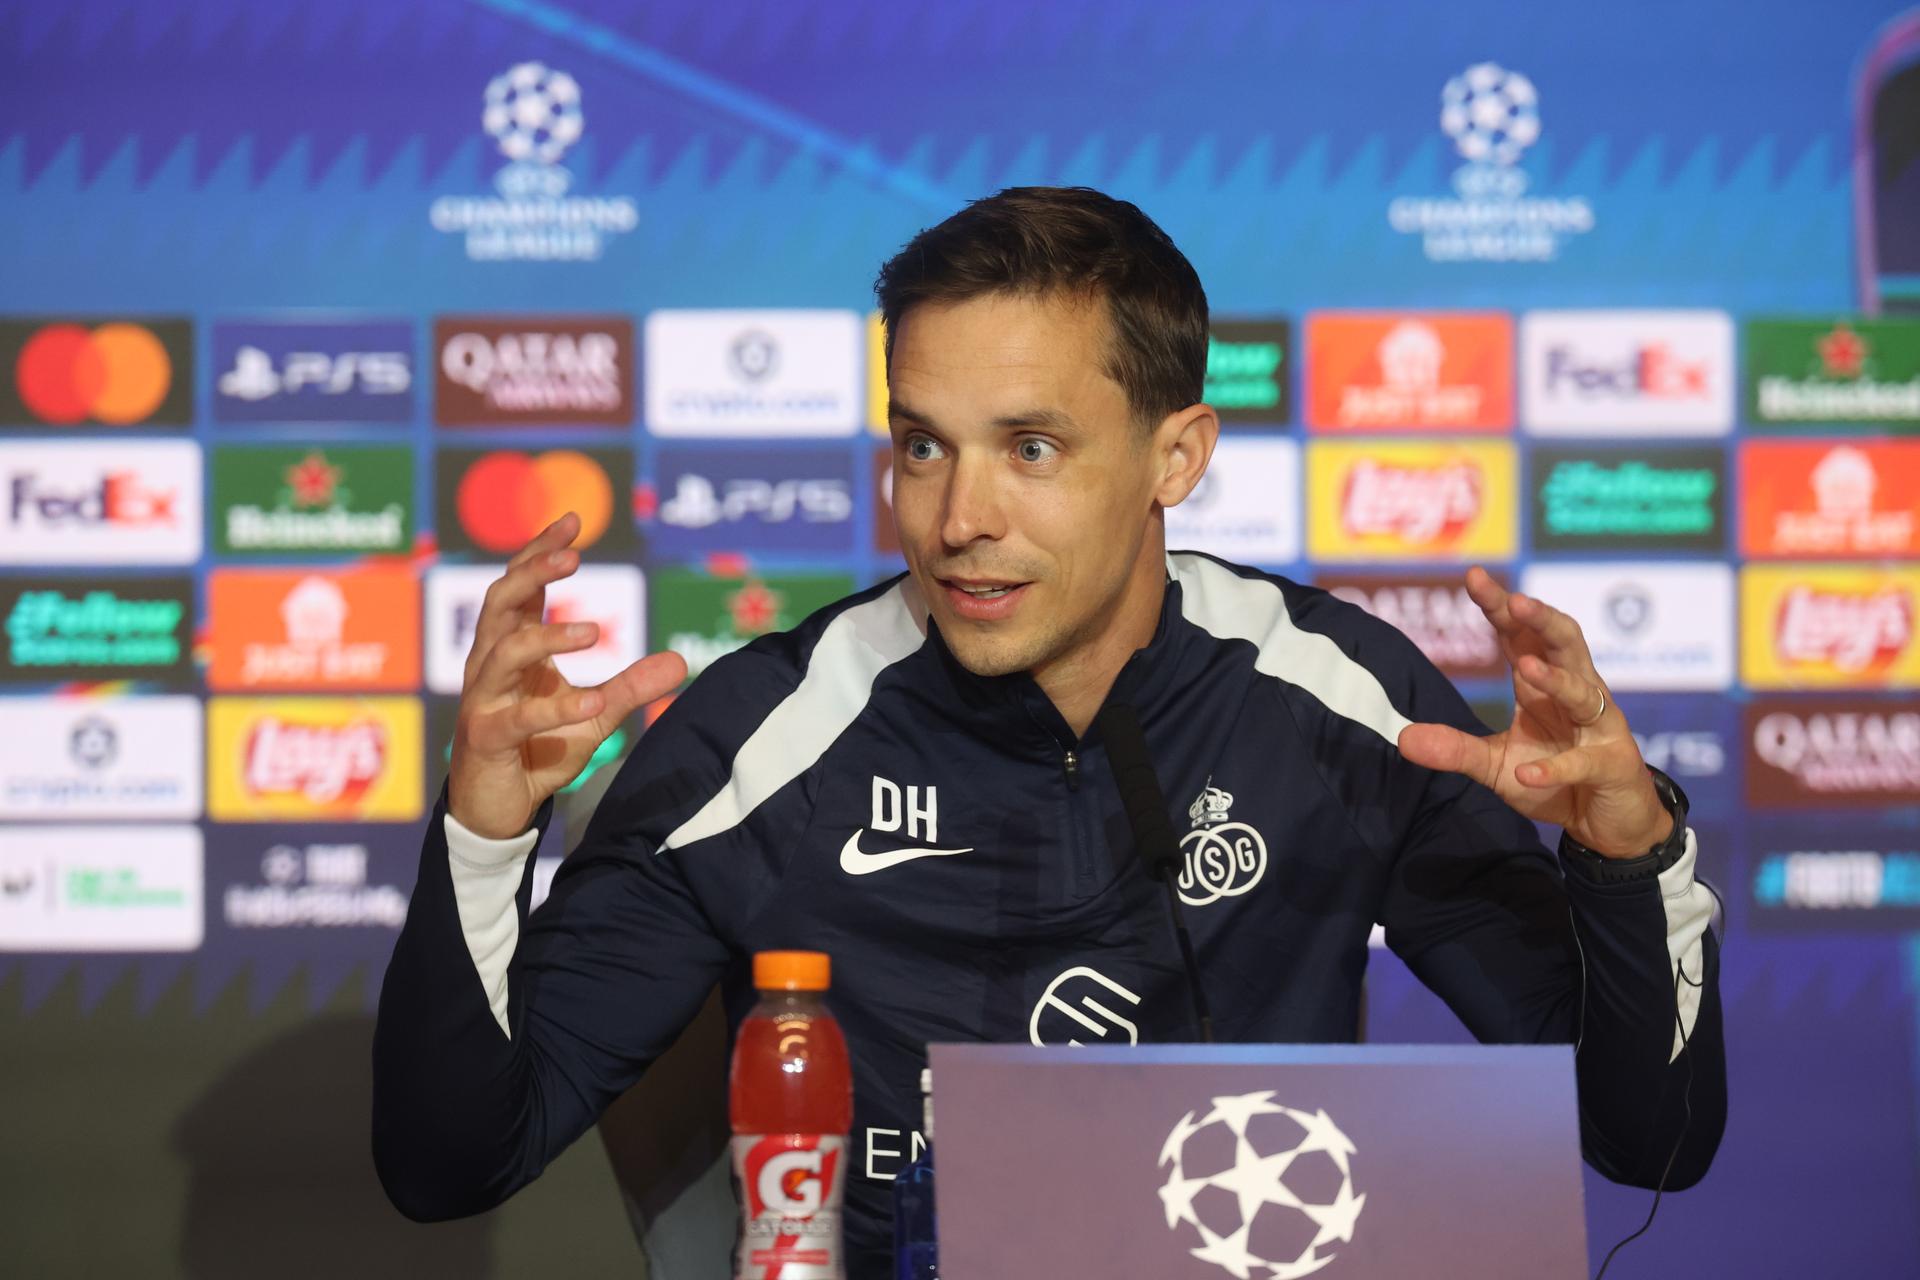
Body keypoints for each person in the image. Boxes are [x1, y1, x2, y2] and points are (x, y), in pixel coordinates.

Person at [372, 186, 1726, 1276]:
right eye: (922, 445)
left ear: (1176, 457)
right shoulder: (763, 740)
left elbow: (1649, 1140)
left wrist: (1626, 852)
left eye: (1030, 448)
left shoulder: (1340, 704)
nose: (959, 518)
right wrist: (489, 830)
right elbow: (448, 1167)